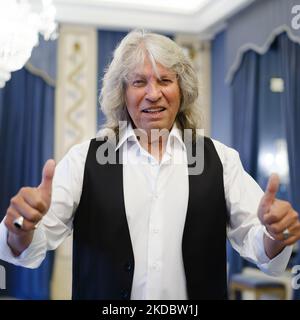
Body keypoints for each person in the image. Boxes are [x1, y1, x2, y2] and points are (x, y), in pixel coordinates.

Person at [0, 29, 299, 300]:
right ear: (123, 93)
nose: (153, 94)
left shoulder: (221, 159)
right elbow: (31, 247)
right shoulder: (83, 160)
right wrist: (20, 227)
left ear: (182, 91)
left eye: (165, 80)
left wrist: (276, 234)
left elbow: (259, 246)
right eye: (139, 82)